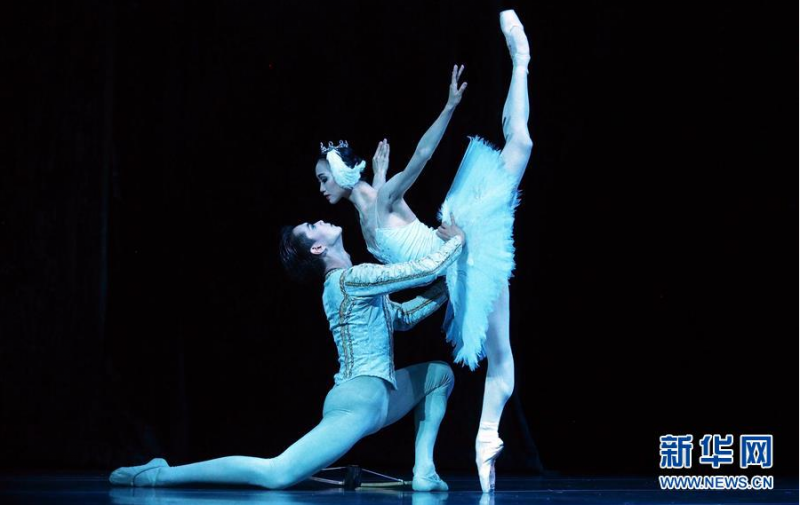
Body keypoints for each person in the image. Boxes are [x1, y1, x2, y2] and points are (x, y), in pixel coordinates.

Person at [314, 10, 532, 492]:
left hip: (462, 237)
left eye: (324, 177)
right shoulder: (367, 217)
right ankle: (486, 440)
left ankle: (520, 58)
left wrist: (450, 106)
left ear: (342, 173)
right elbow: (406, 254)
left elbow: (422, 155)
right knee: (501, 357)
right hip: (457, 265)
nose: (321, 187)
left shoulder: (383, 197)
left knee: (521, 145)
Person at [108, 219, 466, 491]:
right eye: (312, 226)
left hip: (381, 398)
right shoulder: (351, 279)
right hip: (358, 401)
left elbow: (403, 317)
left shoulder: (355, 284)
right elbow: (424, 269)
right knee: (276, 473)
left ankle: (424, 471)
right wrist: (459, 241)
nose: (320, 220)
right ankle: (160, 475)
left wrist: (451, 287)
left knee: (439, 375)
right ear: (317, 248)